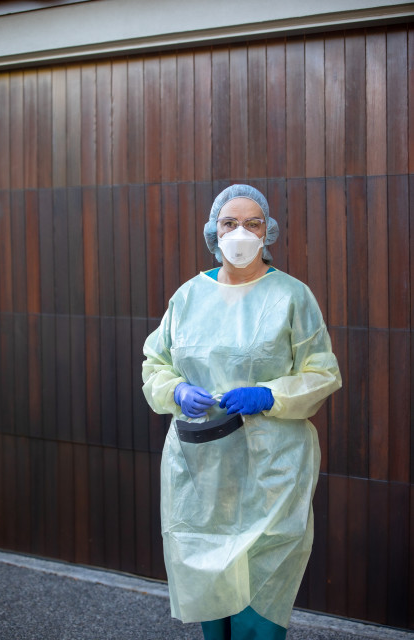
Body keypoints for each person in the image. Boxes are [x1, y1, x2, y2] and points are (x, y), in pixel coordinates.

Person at [142, 184, 342, 640]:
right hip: (202, 469)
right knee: (212, 585)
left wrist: (269, 395)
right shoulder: (188, 297)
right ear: (213, 232)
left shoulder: (291, 296)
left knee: (262, 590)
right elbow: (156, 363)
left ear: (267, 232)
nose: (240, 233)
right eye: (230, 223)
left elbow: (322, 372)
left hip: (272, 467)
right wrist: (176, 390)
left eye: (252, 224)